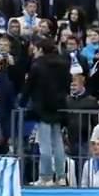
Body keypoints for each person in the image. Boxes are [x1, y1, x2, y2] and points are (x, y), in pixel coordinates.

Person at [20, 38, 70, 186]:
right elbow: (67, 84)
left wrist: (22, 102)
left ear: (41, 49)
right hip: (59, 106)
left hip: (43, 107)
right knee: (58, 143)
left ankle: (46, 176)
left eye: (35, 49)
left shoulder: (38, 65)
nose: (34, 52)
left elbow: (29, 86)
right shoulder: (64, 64)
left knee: (45, 144)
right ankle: (61, 176)